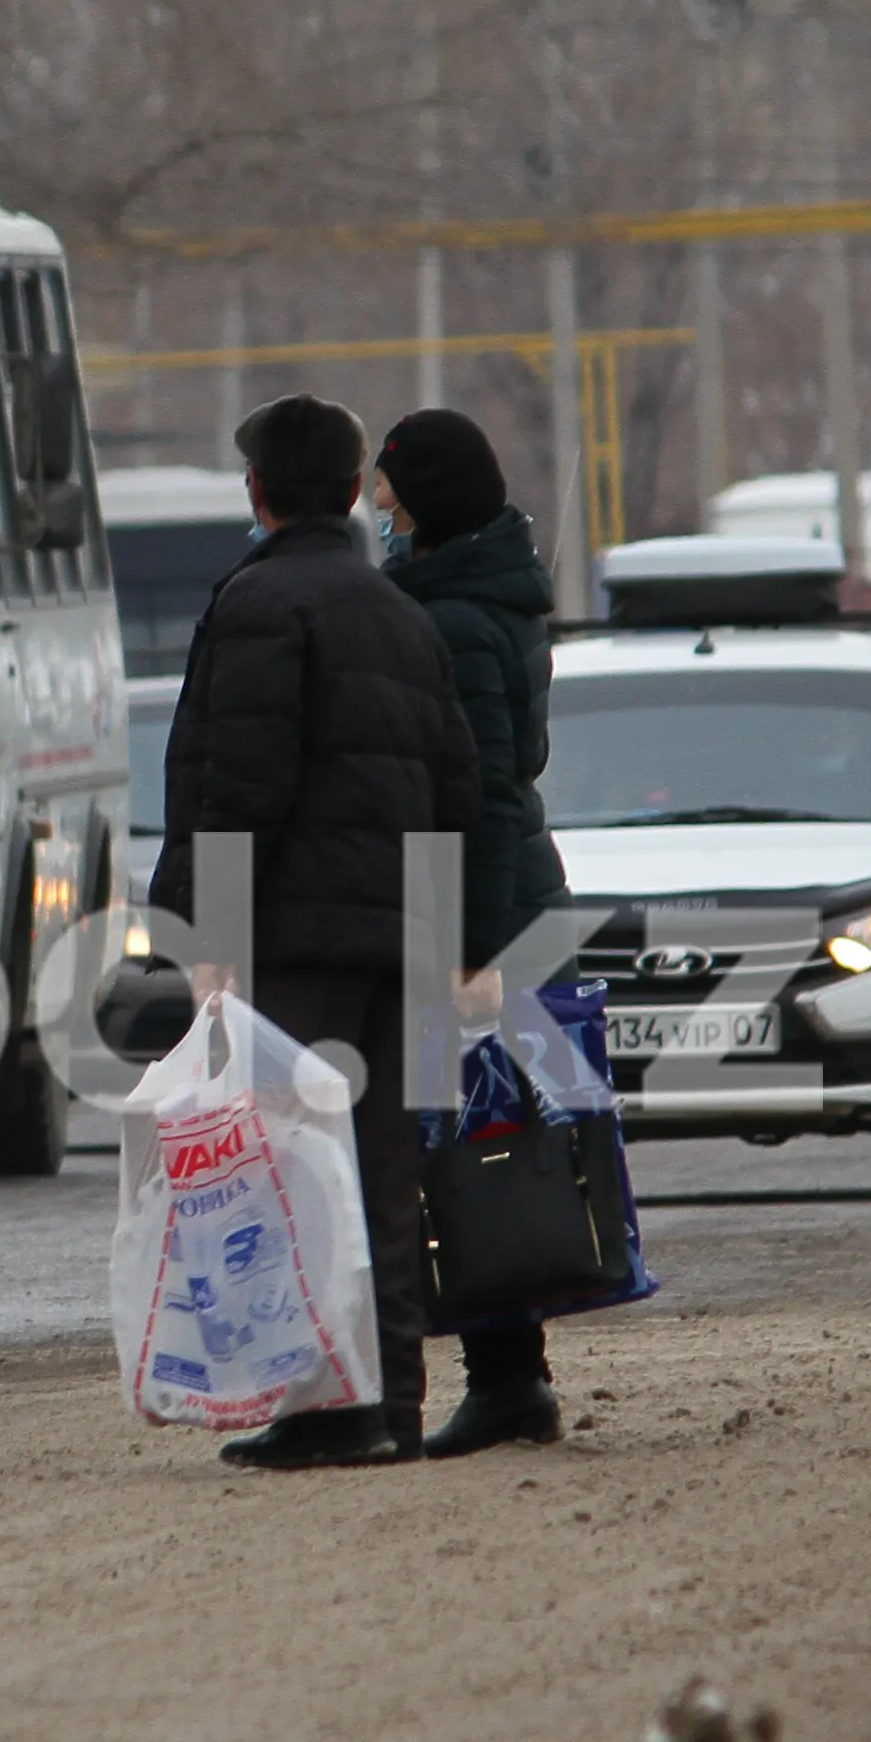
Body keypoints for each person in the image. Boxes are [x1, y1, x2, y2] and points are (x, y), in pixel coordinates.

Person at [150, 391, 482, 1469]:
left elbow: (239, 782)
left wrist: (218, 937)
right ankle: (390, 1407)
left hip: (298, 945)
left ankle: (323, 1407)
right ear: (350, 492)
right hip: (402, 944)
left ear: (258, 495)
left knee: (291, 1170)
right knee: (384, 1172)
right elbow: (456, 785)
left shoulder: (258, 606)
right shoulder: (401, 613)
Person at [374, 408, 573, 1457]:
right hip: (502, 905)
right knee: (488, 1146)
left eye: (393, 499)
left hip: (485, 919)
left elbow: (487, 797)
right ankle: (509, 1371)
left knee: (476, 1157)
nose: (383, 517)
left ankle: (505, 1380)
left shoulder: (452, 619)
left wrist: (472, 955)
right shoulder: (487, 594)